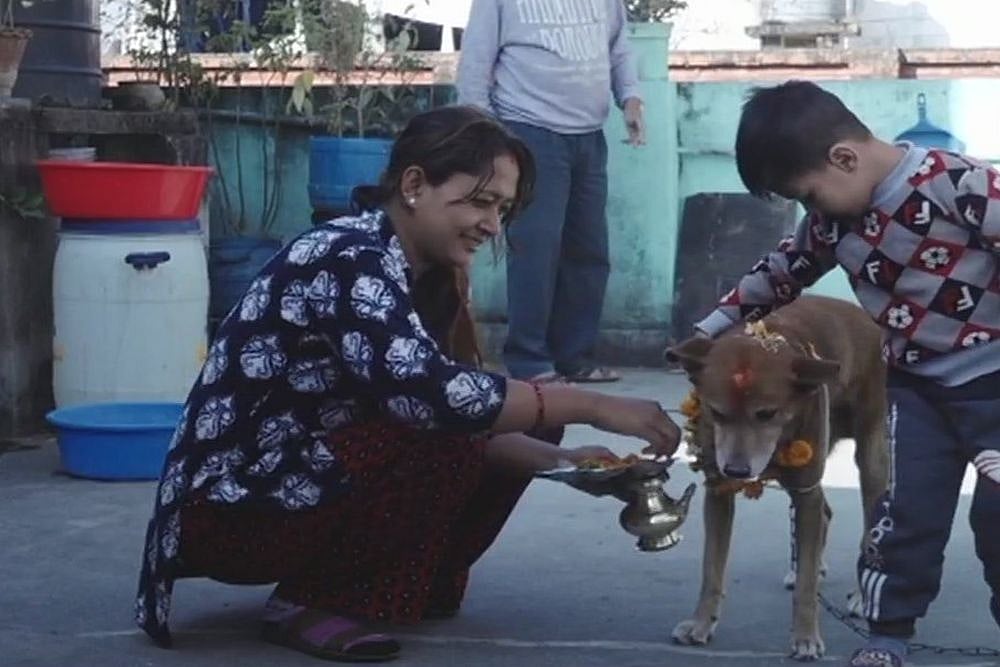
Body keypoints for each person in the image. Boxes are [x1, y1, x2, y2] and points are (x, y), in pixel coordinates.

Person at [135, 105, 681, 663]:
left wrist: (573, 466)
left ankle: (414, 577)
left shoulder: (418, 272)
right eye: (481, 201)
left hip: (297, 483)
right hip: (228, 514)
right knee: (461, 419)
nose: (493, 225)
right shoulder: (348, 257)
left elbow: (470, 416)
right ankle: (314, 601)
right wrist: (594, 403)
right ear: (415, 184)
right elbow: (431, 401)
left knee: (527, 413)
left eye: (503, 209)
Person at [694, 80, 1000, 667]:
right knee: (901, 514)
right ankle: (887, 636)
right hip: (917, 389)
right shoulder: (833, 225)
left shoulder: (960, 184)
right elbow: (779, 273)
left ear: (844, 158)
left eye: (807, 196)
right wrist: (708, 331)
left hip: (995, 385)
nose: (810, 212)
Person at [455, 0, 645, 384]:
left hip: (589, 137)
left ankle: (575, 356)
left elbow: (619, 46)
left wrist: (631, 98)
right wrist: (481, 138)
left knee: (589, 251)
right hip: (528, 132)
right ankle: (528, 360)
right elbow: (476, 60)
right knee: (536, 249)